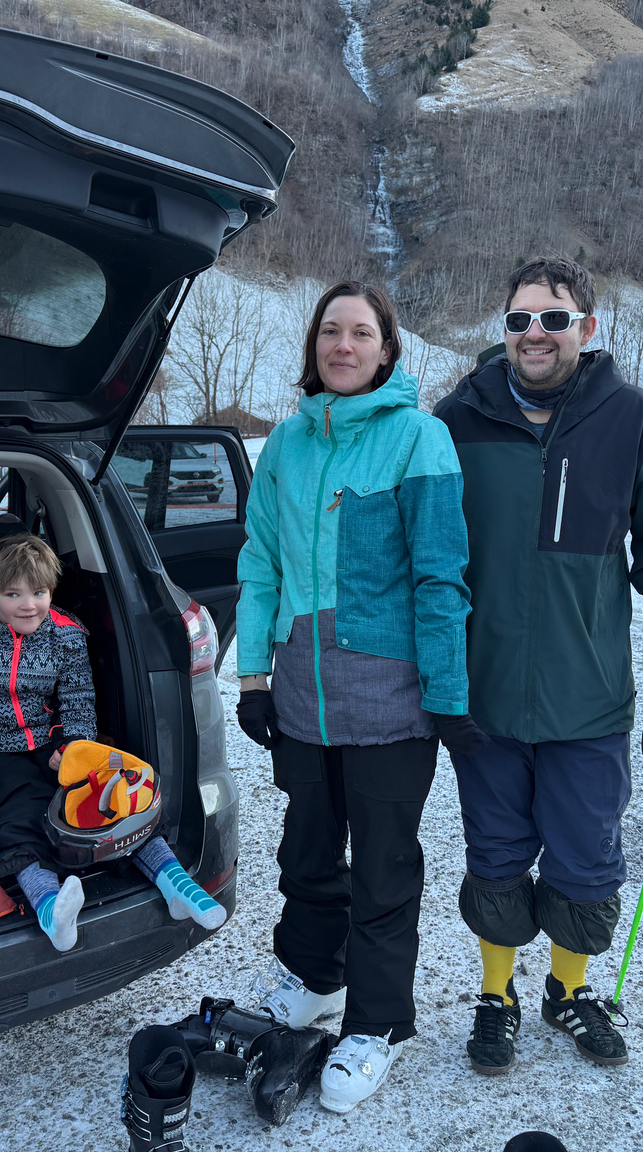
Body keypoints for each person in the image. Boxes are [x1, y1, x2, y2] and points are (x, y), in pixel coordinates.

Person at [432, 256, 643, 1075]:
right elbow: (424, 557)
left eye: (553, 318)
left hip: (588, 698)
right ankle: (498, 995)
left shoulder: (634, 422)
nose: (535, 334)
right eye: (520, 319)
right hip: (483, 698)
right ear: (504, 330)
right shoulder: (457, 421)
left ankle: (566, 990)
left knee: (585, 858)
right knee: (495, 853)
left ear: (587, 329)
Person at [234, 280, 475, 1114]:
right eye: (330, 332)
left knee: (381, 868)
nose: (343, 345)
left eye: (360, 333)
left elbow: (441, 575)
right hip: (301, 697)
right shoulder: (286, 447)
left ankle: (374, 1026)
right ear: (313, 347)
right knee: (305, 853)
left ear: (386, 350)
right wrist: (255, 678)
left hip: (392, 703)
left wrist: (447, 694)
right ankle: (310, 978)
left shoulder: (420, 439)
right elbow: (260, 562)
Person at [0, 533, 225, 953]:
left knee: (104, 794)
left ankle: (174, 882)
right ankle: (51, 908)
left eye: (39, 592)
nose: (28, 604)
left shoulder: (65, 635)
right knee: (18, 811)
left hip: (48, 739)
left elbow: (79, 697)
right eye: (13, 594)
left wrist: (74, 748)